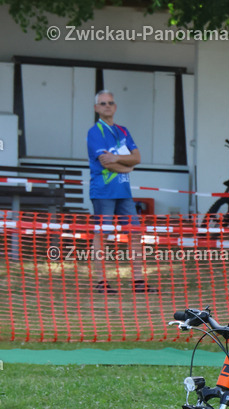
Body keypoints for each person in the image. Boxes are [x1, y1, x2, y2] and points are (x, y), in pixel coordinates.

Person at [87, 89, 153, 293]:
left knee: (134, 235)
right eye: (103, 103)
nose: (107, 106)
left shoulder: (123, 130)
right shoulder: (94, 132)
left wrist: (118, 159)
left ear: (115, 107)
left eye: (110, 103)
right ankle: (101, 283)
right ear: (96, 108)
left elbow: (138, 157)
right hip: (103, 192)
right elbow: (106, 163)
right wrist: (127, 165)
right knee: (102, 236)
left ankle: (139, 282)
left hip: (124, 192)